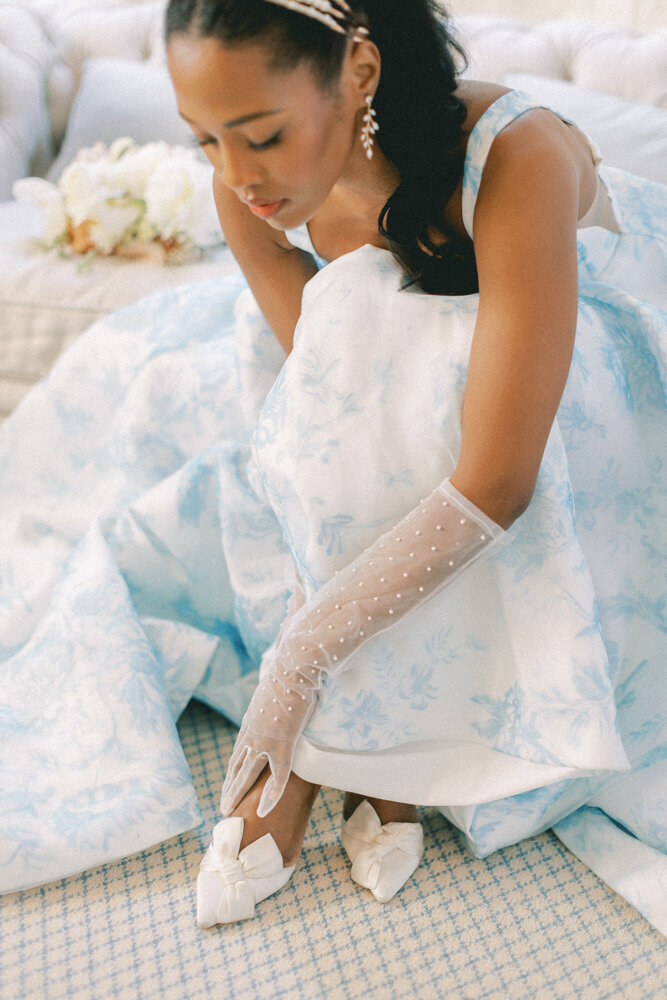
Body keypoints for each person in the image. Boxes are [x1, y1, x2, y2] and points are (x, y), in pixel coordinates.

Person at [0, 0, 664, 932]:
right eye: (204, 142)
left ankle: (336, 750)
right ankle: (359, 755)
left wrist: (300, 661)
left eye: (262, 135)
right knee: (362, 352)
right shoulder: (246, 198)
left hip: (592, 398)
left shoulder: (518, 158)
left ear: (359, 71)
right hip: (397, 408)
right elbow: (326, 407)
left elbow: (497, 481)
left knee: (418, 370)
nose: (236, 177)